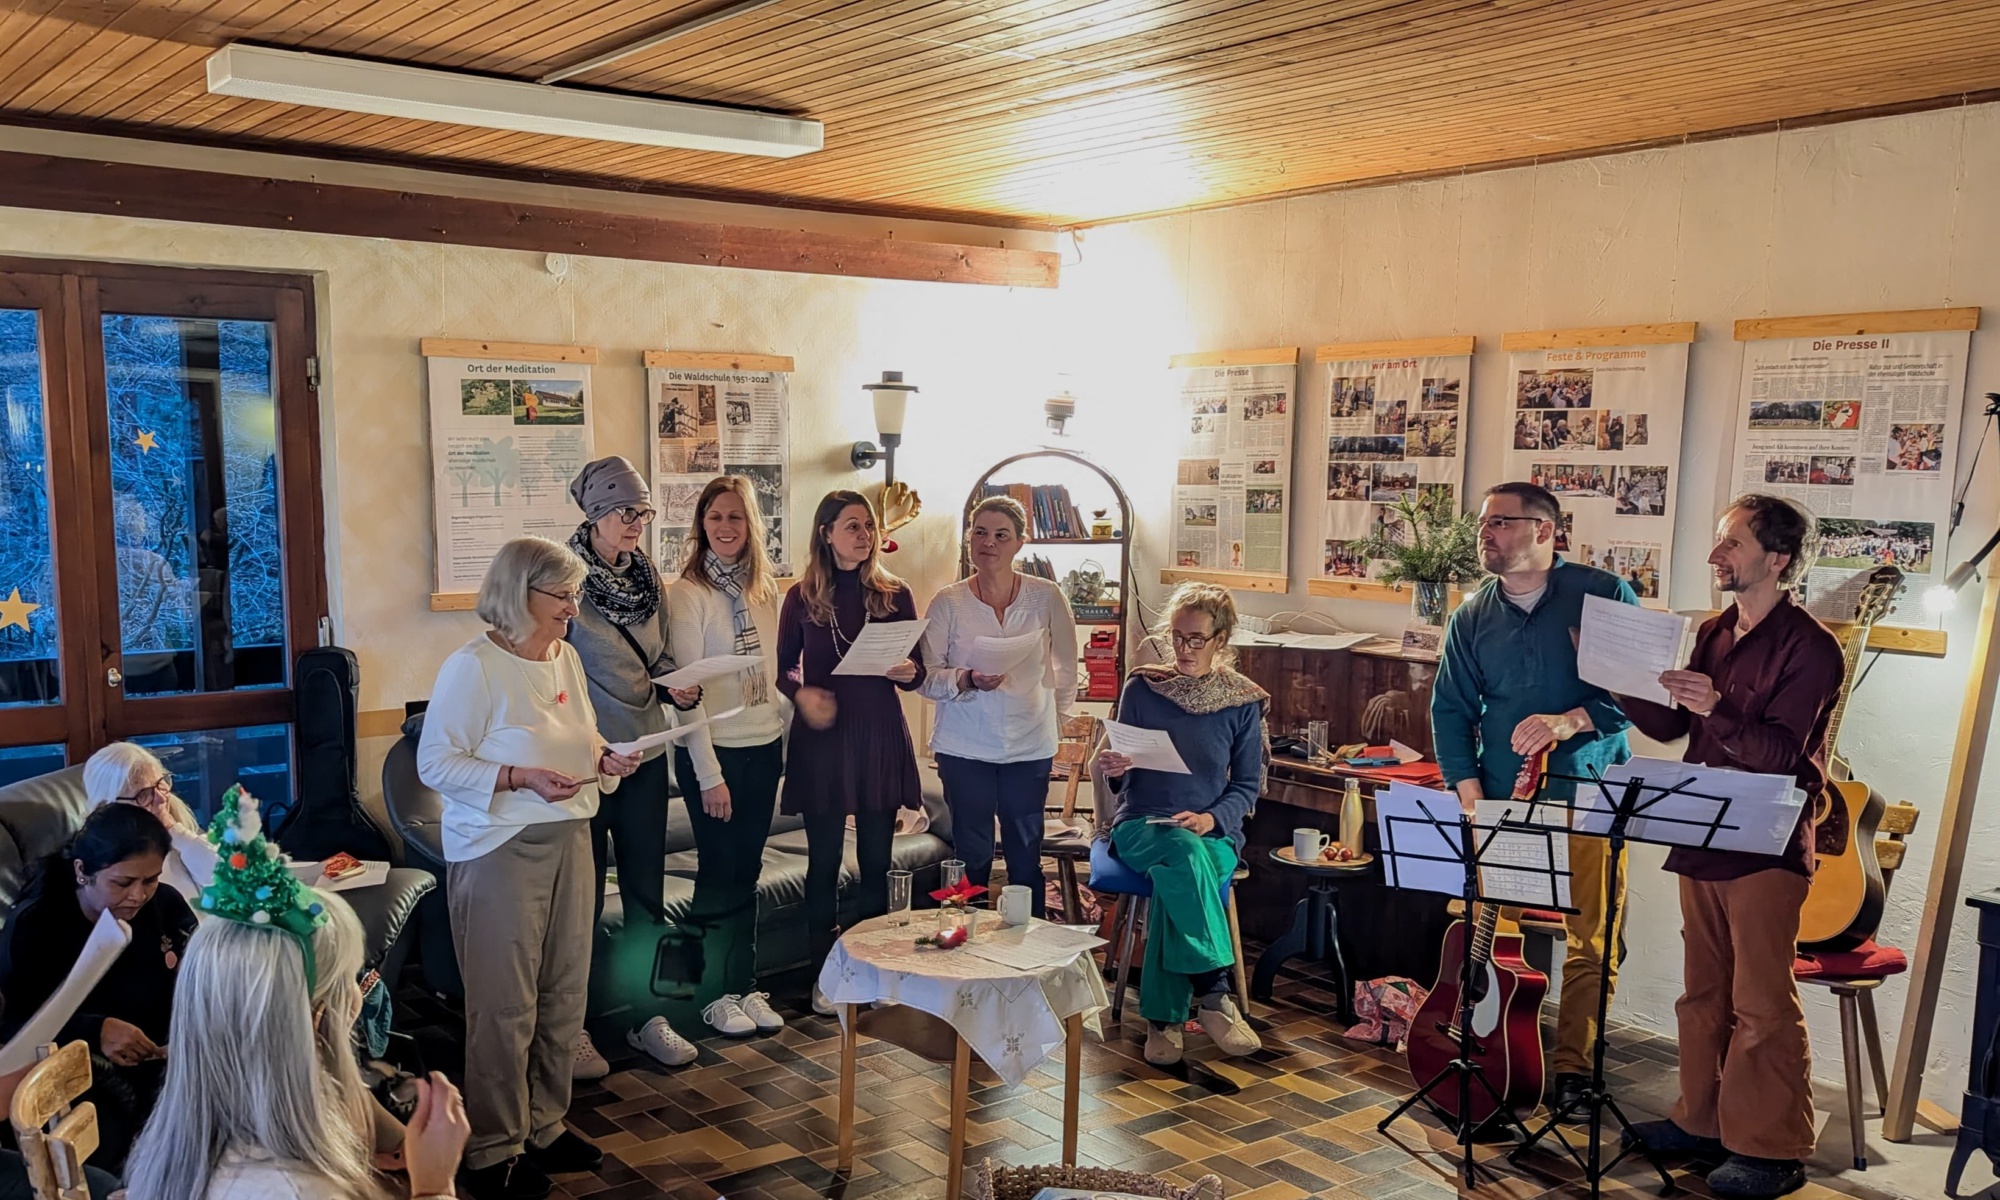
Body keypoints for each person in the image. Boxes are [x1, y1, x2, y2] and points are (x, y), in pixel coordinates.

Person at [1620, 496, 1844, 1199]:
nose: (1716, 555)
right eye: (1717, 542)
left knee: (1762, 1002)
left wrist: (1719, 706)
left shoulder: (1811, 647)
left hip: (1767, 841)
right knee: (1703, 994)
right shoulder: (1714, 631)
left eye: (1732, 544)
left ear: (1777, 558)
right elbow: (1667, 727)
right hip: (1701, 827)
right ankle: (1701, 1120)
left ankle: (1771, 1149)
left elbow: (1782, 755)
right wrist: (1617, 670)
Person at [416, 536, 640, 1200]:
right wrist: (516, 777)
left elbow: (583, 738)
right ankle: (492, 1147)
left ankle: (544, 1125)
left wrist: (605, 759)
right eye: (563, 595)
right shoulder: (473, 667)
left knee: (564, 994)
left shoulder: (565, 657)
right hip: (498, 849)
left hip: (572, 837)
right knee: (505, 1006)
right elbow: (437, 764)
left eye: (575, 594)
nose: (574, 608)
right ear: (522, 595)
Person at [124, 790, 471, 1199]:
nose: (359, 996)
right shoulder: (296, 1189)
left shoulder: (194, 1137)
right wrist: (435, 1187)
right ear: (314, 1018)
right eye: (349, 979)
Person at [1429, 481, 1638, 1119]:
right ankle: (1493, 1050)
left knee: (1591, 941)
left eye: (1501, 523)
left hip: (1586, 794)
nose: (1485, 535)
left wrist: (1572, 719)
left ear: (1545, 530)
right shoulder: (1472, 614)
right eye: (1483, 524)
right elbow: (1450, 708)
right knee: (1491, 938)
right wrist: (1468, 791)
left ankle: (1576, 1070)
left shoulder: (1602, 594)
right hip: (1499, 800)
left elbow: (1638, 693)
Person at [563, 457, 737, 1064]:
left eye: (641, 511)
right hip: (585, 761)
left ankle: (649, 1017)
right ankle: (573, 1030)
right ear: (593, 514)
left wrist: (677, 685)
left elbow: (657, 661)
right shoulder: (565, 581)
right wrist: (589, 744)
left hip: (644, 755)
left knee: (646, 894)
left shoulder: (649, 579)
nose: (635, 523)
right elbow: (552, 675)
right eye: (623, 512)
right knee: (580, 903)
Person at [1093, 582, 1266, 1067]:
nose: (1183, 649)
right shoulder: (1143, 687)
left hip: (1211, 831)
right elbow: (1122, 778)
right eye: (1177, 637)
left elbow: (1248, 786)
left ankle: (1164, 1021)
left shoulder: (1242, 701)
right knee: (1183, 856)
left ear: (1222, 640)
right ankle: (1214, 993)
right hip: (1142, 824)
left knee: (1185, 867)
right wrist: (1116, 769)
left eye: (1196, 640)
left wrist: (1211, 818)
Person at [776, 490, 926, 1015]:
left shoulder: (894, 592)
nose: (864, 535)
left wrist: (911, 674)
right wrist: (801, 694)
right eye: (853, 526)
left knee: (877, 863)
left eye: (868, 526)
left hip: (878, 733)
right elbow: (784, 669)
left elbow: (918, 669)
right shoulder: (799, 597)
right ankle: (828, 974)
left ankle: (873, 970)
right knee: (822, 864)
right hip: (824, 737)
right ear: (826, 532)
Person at [0, 803, 195, 1171]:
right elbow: (17, 1025)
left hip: (170, 1054)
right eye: (122, 883)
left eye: (150, 880)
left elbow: (198, 973)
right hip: (91, 1072)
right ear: (82, 872)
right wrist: (95, 1029)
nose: (138, 896)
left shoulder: (164, 903)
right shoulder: (37, 926)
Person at [667, 475, 789, 1037]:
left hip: (762, 748)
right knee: (717, 875)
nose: (725, 528)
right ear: (701, 525)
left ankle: (744, 985)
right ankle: (707, 995)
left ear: (751, 527)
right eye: (715, 517)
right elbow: (686, 695)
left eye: (736, 518)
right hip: (712, 756)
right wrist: (709, 774)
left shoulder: (765, 592)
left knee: (748, 872)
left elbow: (771, 676)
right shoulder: (688, 594)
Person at [920, 496, 1078, 918]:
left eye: (1001, 535)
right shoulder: (947, 602)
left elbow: (1067, 664)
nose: (988, 543)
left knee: (1026, 851)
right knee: (971, 851)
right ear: (969, 538)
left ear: (1020, 543)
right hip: (964, 746)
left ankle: (1030, 950)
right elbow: (926, 677)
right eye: (980, 533)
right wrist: (967, 678)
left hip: (1029, 745)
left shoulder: (1046, 596)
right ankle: (963, 940)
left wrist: (1057, 722)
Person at [82, 741, 207, 897]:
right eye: (143, 795)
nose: (161, 799)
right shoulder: (107, 868)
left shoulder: (175, 832)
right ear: (107, 806)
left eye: (161, 783)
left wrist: (174, 830)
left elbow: (229, 882)